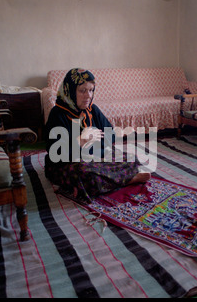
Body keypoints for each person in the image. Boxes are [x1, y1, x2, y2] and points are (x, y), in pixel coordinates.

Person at [44, 68, 150, 203]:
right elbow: (56, 154)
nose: (88, 95)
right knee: (87, 175)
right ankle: (128, 179)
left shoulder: (92, 109)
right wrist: (81, 140)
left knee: (132, 159)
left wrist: (94, 142)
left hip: (95, 156)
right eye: (82, 90)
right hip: (65, 164)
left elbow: (110, 134)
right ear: (70, 90)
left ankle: (94, 184)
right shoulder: (57, 114)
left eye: (91, 90)